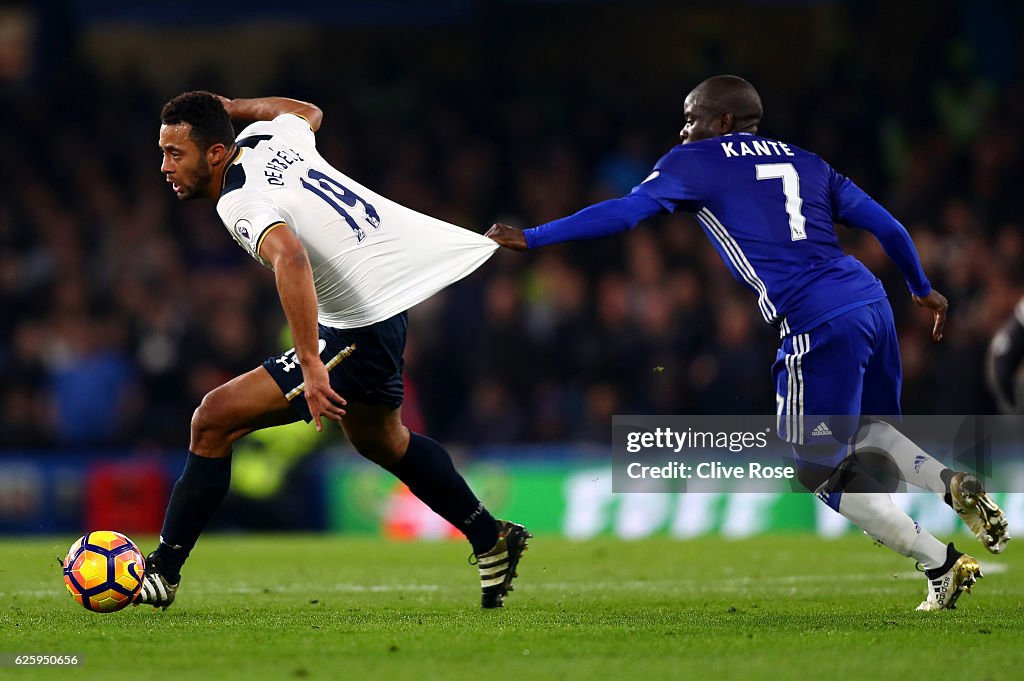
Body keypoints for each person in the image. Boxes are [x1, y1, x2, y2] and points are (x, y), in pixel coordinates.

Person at [487, 75, 1010, 611]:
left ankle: (941, 565)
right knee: (869, 433)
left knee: (814, 465)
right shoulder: (807, 160)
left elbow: (625, 212)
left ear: (724, 123)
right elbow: (890, 227)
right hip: (870, 301)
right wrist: (922, 289)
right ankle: (950, 483)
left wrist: (534, 236)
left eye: (691, 118)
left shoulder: (693, 161)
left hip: (816, 318)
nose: (683, 128)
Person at [140, 91, 530, 610]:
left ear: (214, 154)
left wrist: (310, 363)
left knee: (213, 419)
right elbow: (307, 112)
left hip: (356, 327)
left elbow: (293, 260)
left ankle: (163, 572)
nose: (165, 166)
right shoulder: (265, 137)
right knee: (381, 441)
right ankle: (490, 537)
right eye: (163, 152)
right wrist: (233, 105)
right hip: (381, 302)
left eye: (175, 154)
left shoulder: (239, 202)